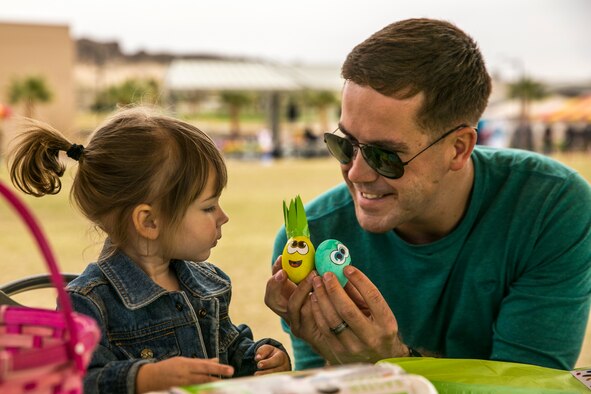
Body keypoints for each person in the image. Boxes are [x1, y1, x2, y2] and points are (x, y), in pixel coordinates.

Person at [264, 18, 591, 372]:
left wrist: (391, 364)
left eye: (384, 155)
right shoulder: (310, 238)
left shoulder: (551, 208)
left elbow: (528, 384)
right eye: (345, 144)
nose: (355, 172)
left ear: (458, 148)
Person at [7, 106, 291, 393]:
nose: (223, 216)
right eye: (208, 207)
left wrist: (258, 356)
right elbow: (77, 380)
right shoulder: (89, 303)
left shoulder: (206, 283)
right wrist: (145, 379)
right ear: (149, 221)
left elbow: (226, 348)